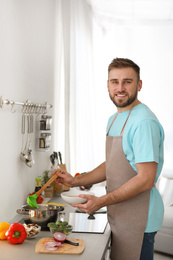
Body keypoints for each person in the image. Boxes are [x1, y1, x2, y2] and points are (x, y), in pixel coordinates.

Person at [55, 58, 164, 260]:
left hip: (140, 219)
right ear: (107, 85)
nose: (120, 88)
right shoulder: (114, 119)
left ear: (139, 84)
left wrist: (101, 201)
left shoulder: (144, 122)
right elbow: (114, 164)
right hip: (121, 213)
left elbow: (146, 179)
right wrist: (76, 180)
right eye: (114, 81)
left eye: (127, 81)